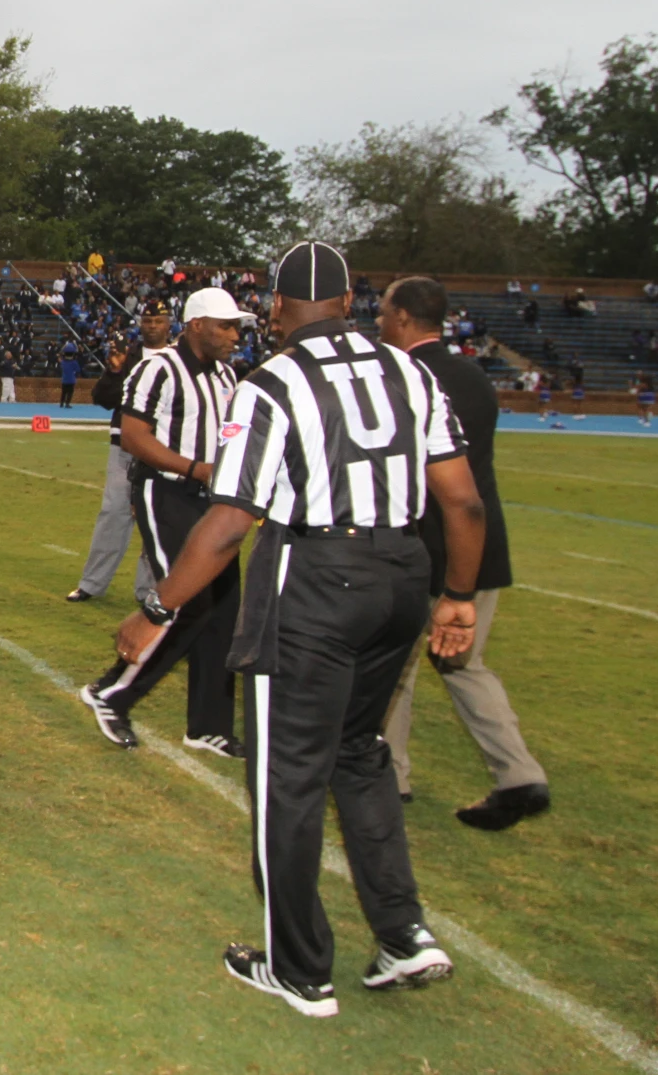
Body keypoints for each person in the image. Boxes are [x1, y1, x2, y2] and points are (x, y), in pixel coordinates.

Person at [112, 241, 486, 1017]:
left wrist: (156, 611)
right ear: (350, 301)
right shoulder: (411, 372)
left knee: (287, 776)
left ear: (277, 308)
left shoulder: (274, 381)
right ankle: (404, 932)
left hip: (317, 577)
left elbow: (229, 521)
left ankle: (300, 967)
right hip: (403, 573)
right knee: (362, 752)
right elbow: (463, 500)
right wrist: (457, 597)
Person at [376, 277, 550, 831]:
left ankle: (391, 775)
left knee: (392, 667)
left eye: (383, 312)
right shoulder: (474, 376)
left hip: (423, 544)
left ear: (402, 318)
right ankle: (519, 773)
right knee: (462, 662)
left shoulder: (401, 376)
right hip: (481, 547)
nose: (378, 321)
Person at [79, 288, 250, 756]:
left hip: (213, 501)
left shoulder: (225, 375)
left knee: (223, 608)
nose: (235, 335)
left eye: (237, 326)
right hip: (166, 490)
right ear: (197, 325)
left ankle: (208, 725)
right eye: (226, 325)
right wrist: (194, 468)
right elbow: (133, 437)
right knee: (188, 599)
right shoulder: (158, 368)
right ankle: (115, 695)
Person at [69, 308, 173, 603]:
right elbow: (104, 399)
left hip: (163, 447)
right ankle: (92, 583)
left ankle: (148, 590)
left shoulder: (178, 359)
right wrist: (114, 371)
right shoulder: (129, 357)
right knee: (113, 514)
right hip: (125, 444)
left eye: (158, 321)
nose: (152, 326)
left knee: (156, 518)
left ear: (169, 324)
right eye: (148, 321)